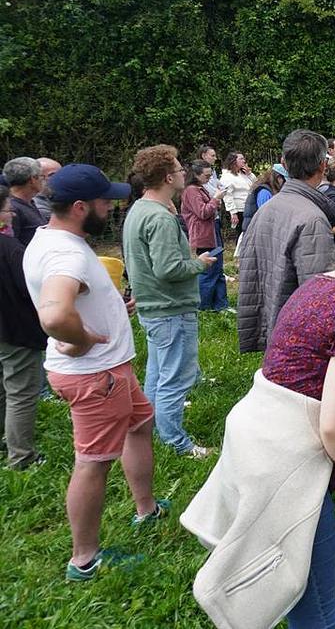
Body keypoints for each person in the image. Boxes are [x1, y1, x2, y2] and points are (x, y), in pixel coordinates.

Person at [182, 203, 335, 629]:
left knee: (301, 591)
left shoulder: (317, 286)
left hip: (255, 442)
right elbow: (334, 424)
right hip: (287, 466)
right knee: (316, 608)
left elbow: (303, 373)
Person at [23, 163, 168, 581]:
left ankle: (146, 509)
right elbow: (54, 314)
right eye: (105, 201)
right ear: (81, 207)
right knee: (93, 462)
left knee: (140, 423)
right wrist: (82, 339)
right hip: (96, 377)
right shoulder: (66, 254)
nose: (111, 207)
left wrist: (108, 309)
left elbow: (72, 300)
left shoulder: (52, 238)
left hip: (110, 371)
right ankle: (84, 559)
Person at [123, 146, 215, 458]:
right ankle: (177, 443)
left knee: (158, 374)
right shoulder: (159, 218)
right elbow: (168, 269)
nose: (183, 173)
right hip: (171, 309)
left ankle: (152, 430)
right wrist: (199, 264)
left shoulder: (140, 209)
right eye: (178, 169)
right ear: (167, 177)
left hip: (154, 308)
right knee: (175, 379)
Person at [238, 130, 335, 353]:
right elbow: (317, 295)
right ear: (323, 166)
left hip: (276, 328)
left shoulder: (267, 209)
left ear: (283, 163)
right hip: (298, 340)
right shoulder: (312, 219)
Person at [0, 184, 47, 468]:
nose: (12, 214)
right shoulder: (10, 248)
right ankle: (22, 457)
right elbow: (30, 289)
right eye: (7, 209)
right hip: (14, 331)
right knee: (21, 392)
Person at [181, 160, 230, 312]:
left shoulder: (200, 188)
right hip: (203, 236)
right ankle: (203, 307)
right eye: (206, 175)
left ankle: (221, 305)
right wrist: (216, 199)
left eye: (210, 175)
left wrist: (215, 202)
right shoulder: (191, 191)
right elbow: (202, 212)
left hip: (212, 232)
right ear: (196, 175)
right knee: (208, 272)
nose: (209, 178)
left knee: (218, 270)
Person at [3, 157, 48, 245]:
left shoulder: (29, 202)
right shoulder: (11, 210)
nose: (44, 180)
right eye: (41, 176)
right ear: (32, 180)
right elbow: (10, 245)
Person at [241, 163, 287, 230]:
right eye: (284, 181)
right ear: (278, 177)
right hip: (254, 231)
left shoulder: (270, 190)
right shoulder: (264, 192)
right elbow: (266, 217)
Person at [218, 152, 255, 233]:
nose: (244, 161)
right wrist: (233, 213)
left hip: (249, 207)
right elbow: (227, 196)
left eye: (244, 159)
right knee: (242, 233)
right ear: (233, 161)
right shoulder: (227, 176)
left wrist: (250, 174)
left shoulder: (243, 174)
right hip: (239, 210)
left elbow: (256, 184)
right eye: (241, 159)